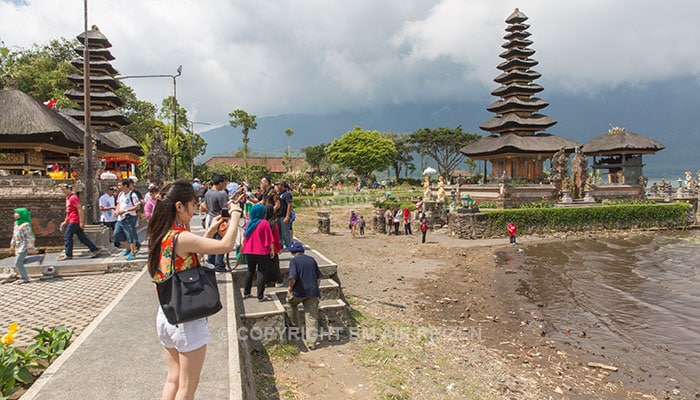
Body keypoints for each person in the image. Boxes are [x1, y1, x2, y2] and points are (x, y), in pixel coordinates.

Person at [147, 179, 242, 400]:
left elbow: (189, 258)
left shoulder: (162, 234)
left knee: (174, 378)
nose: (196, 207)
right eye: (193, 203)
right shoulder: (182, 237)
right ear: (179, 206)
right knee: (188, 387)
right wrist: (236, 215)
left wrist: (208, 232)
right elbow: (226, 246)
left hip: (167, 314)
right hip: (187, 321)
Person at [285, 241, 323, 350]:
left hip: (298, 292)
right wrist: (316, 287)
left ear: (292, 252)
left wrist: (290, 288)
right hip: (312, 292)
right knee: (311, 316)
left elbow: (292, 277)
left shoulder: (294, 261)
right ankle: (312, 342)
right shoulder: (312, 260)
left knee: (290, 305)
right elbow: (319, 277)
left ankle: (295, 329)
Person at [57, 183, 101, 261]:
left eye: (64, 189)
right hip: (72, 219)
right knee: (82, 237)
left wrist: (81, 221)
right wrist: (65, 221)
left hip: (75, 221)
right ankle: (94, 249)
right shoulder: (68, 198)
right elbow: (69, 211)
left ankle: (68, 254)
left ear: (69, 189)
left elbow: (79, 209)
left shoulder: (73, 198)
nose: (63, 191)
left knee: (67, 237)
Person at [242, 203, 275, 301]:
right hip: (261, 251)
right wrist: (272, 249)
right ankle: (260, 295)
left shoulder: (249, 223)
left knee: (250, 271)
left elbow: (245, 236)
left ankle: (246, 292)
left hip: (249, 251)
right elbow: (269, 239)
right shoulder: (264, 223)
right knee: (261, 272)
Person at [203, 175, 229, 272]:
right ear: (220, 183)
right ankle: (219, 265)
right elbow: (225, 208)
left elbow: (205, 206)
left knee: (211, 242)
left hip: (210, 219)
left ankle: (211, 263)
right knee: (220, 243)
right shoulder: (221, 194)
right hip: (219, 220)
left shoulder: (207, 193)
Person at [9, 208, 43, 284]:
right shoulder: (16, 223)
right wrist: (12, 245)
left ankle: (25, 278)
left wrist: (30, 247)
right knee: (21, 261)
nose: (15, 214)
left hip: (23, 246)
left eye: (17, 213)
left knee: (18, 263)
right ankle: (39, 258)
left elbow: (30, 236)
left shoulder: (26, 225)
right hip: (18, 246)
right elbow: (14, 236)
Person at [113, 179, 140, 261]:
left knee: (130, 235)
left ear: (125, 185)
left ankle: (132, 252)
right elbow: (118, 204)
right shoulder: (120, 194)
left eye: (120, 185)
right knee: (116, 235)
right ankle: (128, 247)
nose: (119, 187)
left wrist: (125, 211)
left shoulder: (132, 195)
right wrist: (116, 210)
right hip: (120, 218)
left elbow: (137, 206)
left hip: (129, 218)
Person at [277, 181, 294, 249]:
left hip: (284, 215)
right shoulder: (279, 194)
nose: (278, 186)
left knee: (285, 232)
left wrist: (287, 216)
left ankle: (289, 245)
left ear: (283, 186)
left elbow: (289, 205)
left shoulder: (287, 194)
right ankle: (280, 245)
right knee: (279, 232)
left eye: (279, 185)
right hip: (279, 215)